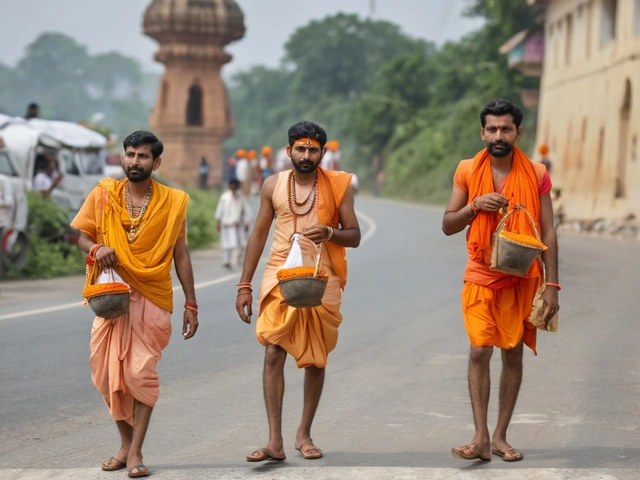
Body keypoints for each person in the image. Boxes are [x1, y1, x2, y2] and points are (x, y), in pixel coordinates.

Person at [70, 131, 199, 478]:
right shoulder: (104, 194)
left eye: (143, 157)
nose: (134, 162)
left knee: (140, 373)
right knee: (105, 373)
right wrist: (97, 249)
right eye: (130, 155)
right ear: (122, 158)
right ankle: (125, 444)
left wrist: (191, 302)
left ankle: (136, 452)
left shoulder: (173, 201)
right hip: (111, 298)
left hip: (154, 296)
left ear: (156, 163)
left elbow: (180, 253)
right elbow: (82, 235)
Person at [442, 99, 559, 463]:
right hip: (480, 272)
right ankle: (479, 437)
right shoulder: (467, 170)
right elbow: (448, 224)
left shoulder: (536, 173)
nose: (498, 135)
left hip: (523, 275)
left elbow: (549, 231)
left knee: (513, 352)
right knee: (479, 349)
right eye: (492, 128)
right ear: (482, 132)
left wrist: (552, 285)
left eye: (506, 128)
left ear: (518, 133)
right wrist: (474, 206)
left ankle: (500, 437)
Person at [236, 121, 360, 462]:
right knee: (273, 350)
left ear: (322, 152)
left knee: (316, 358)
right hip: (280, 273)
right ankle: (274, 441)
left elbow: (355, 235)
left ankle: (304, 433)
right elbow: (258, 235)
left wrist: (331, 233)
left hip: (323, 274)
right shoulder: (273, 185)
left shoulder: (338, 186)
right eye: (300, 149)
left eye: (313, 149)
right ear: (288, 150)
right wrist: (244, 284)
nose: (307, 155)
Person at [215, 177, 251, 269]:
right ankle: (226, 261)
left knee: (235, 244)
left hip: (235, 225)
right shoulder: (224, 197)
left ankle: (234, 262)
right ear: (230, 186)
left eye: (236, 185)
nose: (234, 187)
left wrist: (247, 221)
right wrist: (218, 222)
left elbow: (246, 210)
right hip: (225, 224)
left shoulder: (240, 197)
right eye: (232, 185)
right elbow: (220, 209)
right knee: (225, 244)